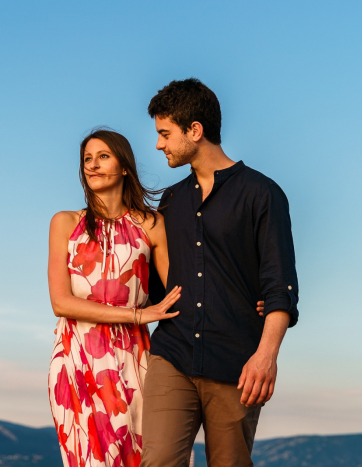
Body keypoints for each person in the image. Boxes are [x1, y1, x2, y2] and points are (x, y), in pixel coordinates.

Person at [141, 78, 300, 467]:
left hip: (236, 362)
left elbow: (280, 286)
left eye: (165, 133)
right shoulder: (171, 201)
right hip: (172, 355)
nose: (159, 144)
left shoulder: (262, 194)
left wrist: (266, 356)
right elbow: (154, 282)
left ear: (194, 131)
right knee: (158, 461)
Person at [47, 129, 182, 467]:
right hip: (76, 359)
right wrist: (137, 315)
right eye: (87, 159)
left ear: (125, 167)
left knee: (146, 455)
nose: (92, 165)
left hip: (134, 358)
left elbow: (183, 292)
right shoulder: (65, 223)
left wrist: (250, 300)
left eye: (103, 156)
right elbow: (60, 303)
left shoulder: (151, 224)